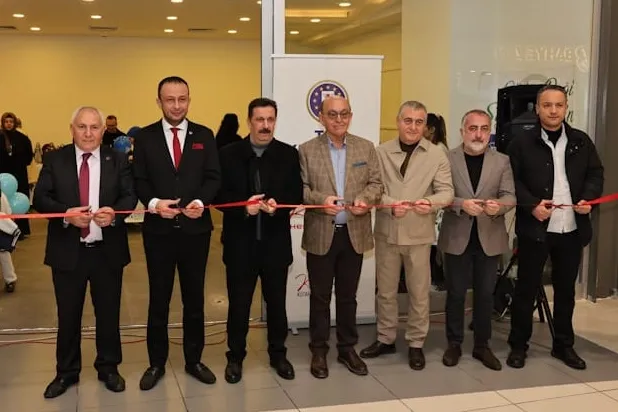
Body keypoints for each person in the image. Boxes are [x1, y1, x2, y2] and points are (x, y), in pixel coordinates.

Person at [33, 106, 137, 398]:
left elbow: (130, 195)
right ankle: (66, 372)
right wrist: (66, 214)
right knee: (68, 316)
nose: (88, 133)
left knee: (108, 313)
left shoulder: (118, 159)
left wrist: (114, 214)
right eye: (82, 127)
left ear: (103, 130)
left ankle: (109, 368)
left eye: (94, 127)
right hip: (68, 252)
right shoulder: (56, 159)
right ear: (72, 129)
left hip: (107, 251)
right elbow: (41, 197)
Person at [506, 85, 604, 370]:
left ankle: (563, 345)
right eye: (547, 105)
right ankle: (518, 346)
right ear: (537, 108)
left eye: (558, 105)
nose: (553, 110)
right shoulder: (521, 143)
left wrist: (589, 198)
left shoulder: (581, 141)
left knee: (565, 291)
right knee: (526, 289)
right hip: (535, 228)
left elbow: (596, 174)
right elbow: (511, 180)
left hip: (571, 228)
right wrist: (531, 205)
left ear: (566, 108)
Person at [132, 76, 221, 390]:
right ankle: (156, 363)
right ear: (159, 102)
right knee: (159, 299)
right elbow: (139, 180)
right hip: (159, 233)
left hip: (196, 232)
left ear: (189, 100)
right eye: (170, 99)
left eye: (182, 99)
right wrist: (154, 204)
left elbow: (213, 177)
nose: (176, 105)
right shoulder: (145, 137)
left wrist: (200, 202)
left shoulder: (204, 135)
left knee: (194, 300)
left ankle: (194, 360)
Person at [359, 101, 453, 370]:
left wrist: (430, 202)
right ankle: (385, 338)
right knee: (386, 292)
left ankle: (416, 342)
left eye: (419, 122)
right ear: (398, 121)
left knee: (419, 293)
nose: (413, 127)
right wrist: (389, 203)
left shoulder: (436, 155)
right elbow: (372, 188)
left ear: (426, 126)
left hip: (419, 234)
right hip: (387, 232)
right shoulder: (380, 152)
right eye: (408, 120)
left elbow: (447, 192)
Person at [217, 97, 302, 384]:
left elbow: (296, 194)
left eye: (270, 120)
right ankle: (235, 357)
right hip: (240, 246)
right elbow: (218, 196)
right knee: (239, 306)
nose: (265, 125)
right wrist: (243, 207)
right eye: (260, 120)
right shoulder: (228, 154)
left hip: (275, 246)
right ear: (249, 121)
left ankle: (278, 355)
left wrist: (279, 206)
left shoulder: (288, 154)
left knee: (277, 305)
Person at [298, 95, 383, 379]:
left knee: (348, 297)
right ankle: (319, 351)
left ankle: (347, 349)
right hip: (321, 233)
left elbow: (376, 184)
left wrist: (365, 199)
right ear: (321, 117)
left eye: (344, 114)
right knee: (320, 298)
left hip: (353, 234)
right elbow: (302, 189)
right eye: (332, 114)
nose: (338, 119)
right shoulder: (307, 150)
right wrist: (320, 200)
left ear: (351, 116)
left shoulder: (365, 147)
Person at [438, 109, 515, 371]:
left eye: (484, 129)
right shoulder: (447, 159)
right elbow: (438, 193)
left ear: (489, 131)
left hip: (489, 237)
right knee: (456, 294)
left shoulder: (502, 161)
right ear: (462, 132)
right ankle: (454, 344)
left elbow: (510, 195)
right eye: (472, 128)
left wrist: (499, 207)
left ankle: (482, 345)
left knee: (485, 295)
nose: (478, 134)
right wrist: (460, 204)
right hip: (456, 236)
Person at [0, 112, 34, 238]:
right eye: (6, 122)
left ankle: (21, 230)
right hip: (3, 177)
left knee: (20, 200)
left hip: (19, 175)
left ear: (14, 123)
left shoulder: (22, 138)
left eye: (11, 122)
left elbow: (29, 156)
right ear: (2, 123)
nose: (9, 124)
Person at [0, 189, 17, 292]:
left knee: (3, 254)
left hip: (0, 229)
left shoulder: (1, 195)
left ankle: (10, 279)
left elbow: (7, 212)